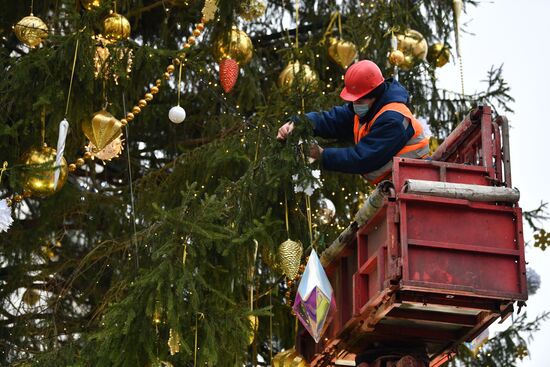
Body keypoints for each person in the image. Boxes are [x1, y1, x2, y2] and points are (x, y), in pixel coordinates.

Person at [277, 60, 429, 184]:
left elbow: (363, 158)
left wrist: (322, 154)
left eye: (359, 100)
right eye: (353, 100)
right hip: (398, 184)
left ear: (374, 95)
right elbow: (332, 120)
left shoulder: (393, 119)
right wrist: (297, 124)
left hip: (417, 182)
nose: (355, 104)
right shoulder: (366, 108)